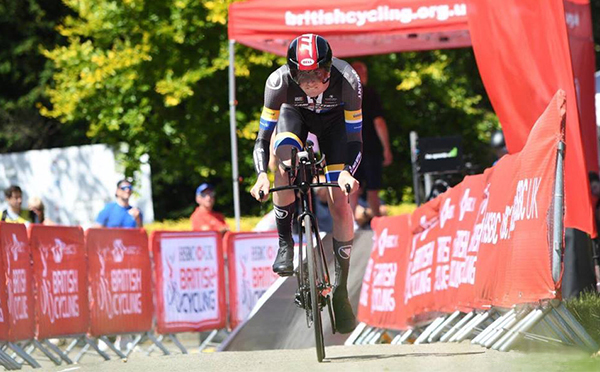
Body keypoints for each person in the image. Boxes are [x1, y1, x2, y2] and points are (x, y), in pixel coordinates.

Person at [250, 34, 362, 333]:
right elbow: (262, 138)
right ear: (292, 72)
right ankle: (285, 243)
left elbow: (355, 139)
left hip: (336, 125)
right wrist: (262, 174)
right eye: (303, 75)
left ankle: (340, 288)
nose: (311, 82)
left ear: (329, 68)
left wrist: (347, 172)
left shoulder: (348, 80)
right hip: (294, 116)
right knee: (284, 162)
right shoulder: (278, 83)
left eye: (319, 74)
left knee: (339, 198)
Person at [350, 61, 393, 225]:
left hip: (351, 148)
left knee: (353, 188)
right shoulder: (369, 94)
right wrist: (386, 148)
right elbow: (379, 122)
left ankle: (350, 224)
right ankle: (379, 225)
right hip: (370, 147)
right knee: (373, 189)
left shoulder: (341, 96)